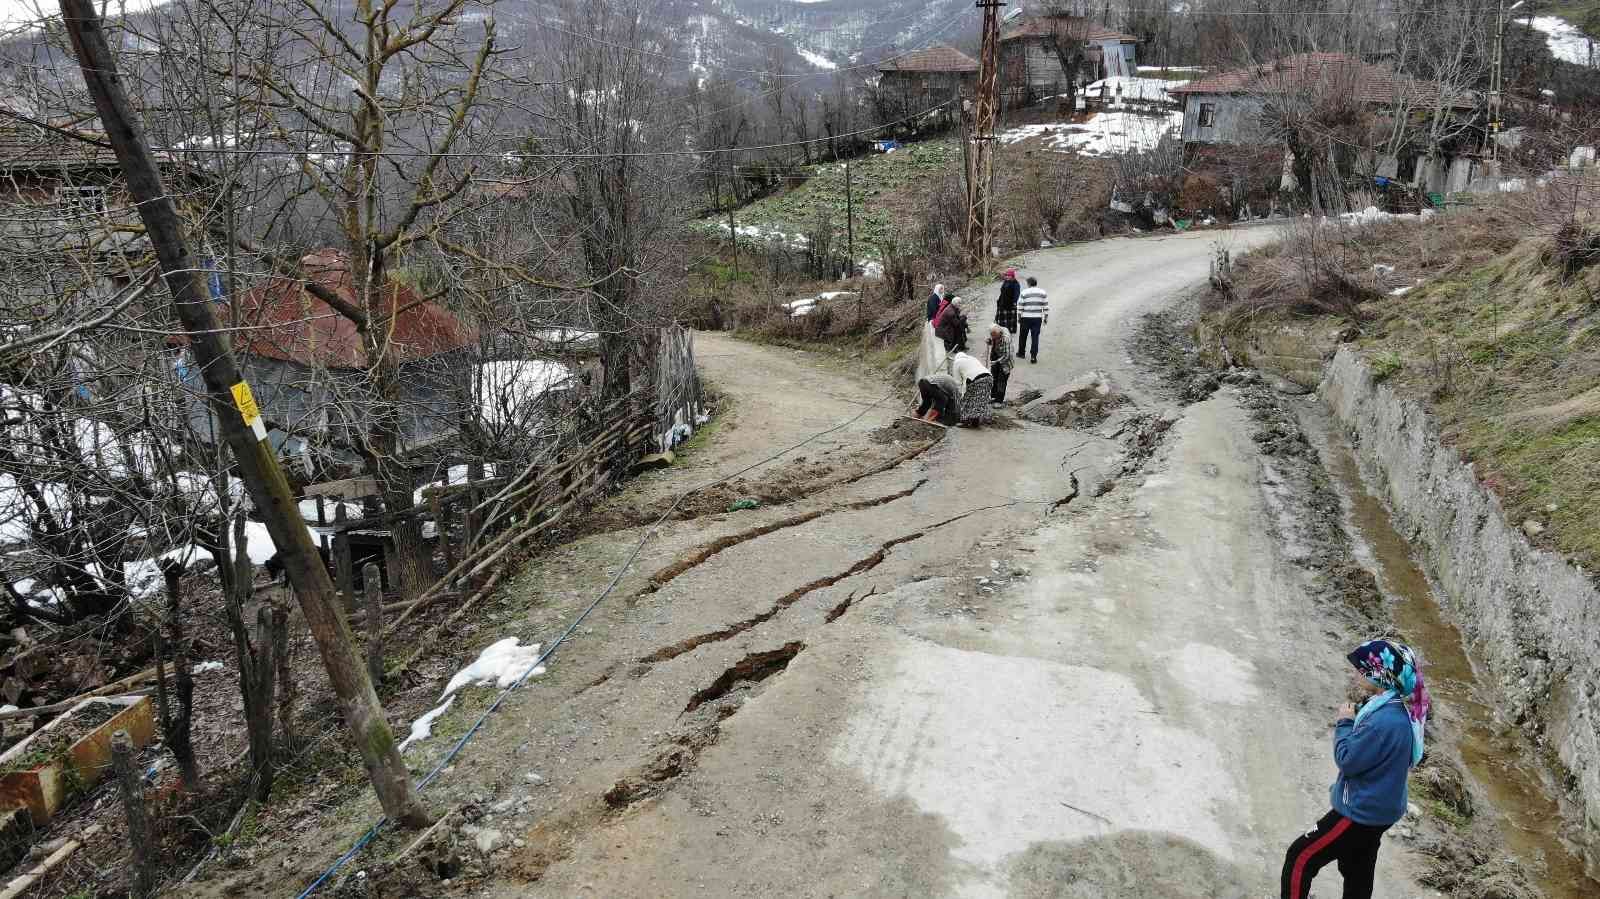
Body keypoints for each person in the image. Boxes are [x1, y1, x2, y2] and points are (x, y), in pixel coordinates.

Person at [1281, 639, 1430, 899]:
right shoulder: (1398, 712)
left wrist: (1345, 724)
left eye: (1364, 669)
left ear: (1383, 676)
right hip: (1381, 811)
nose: (1356, 673)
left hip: (1360, 812)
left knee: (1300, 857)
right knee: (1356, 871)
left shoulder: (1382, 721)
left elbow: (1348, 760)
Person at [1017, 276, 1048, 364]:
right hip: (1037, 318)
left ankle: (1021, 353)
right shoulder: (1042, 292)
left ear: (1029, 284)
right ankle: (1033, 356)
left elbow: (1020, 306)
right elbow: (1045, 306)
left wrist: (1019, 317)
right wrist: (1045, 317)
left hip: (1025, 317)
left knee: (1023, 336)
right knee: (1035, 337)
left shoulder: (1024, 292)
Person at [986, 323, 1013, 405]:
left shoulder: (1006, 339)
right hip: (996, 356)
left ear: (999, 334)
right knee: (994, 378)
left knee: (1001, 381)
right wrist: (990, 341)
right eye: (992, 336)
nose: (993, 338)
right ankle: (993, 397)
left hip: (1005, 362)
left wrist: (996, 362)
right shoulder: (995, 332)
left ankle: (999, 401)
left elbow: (1007, 356)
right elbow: (992, 339)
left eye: (995, 336)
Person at [995, 269, 1020, 336]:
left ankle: (1010, 331)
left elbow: (1016, 294)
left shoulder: (1015, 283)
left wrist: (1014, 302)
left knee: (1009, 320)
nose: (1007, 276)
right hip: (1002, 303)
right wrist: (999, 301)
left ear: (1012, 276)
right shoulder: (1005, 282)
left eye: (1009, 275)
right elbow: (1002, 291)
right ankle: (1001, 330)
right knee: (1001, 320)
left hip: (1010, 304)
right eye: (1006, 275)